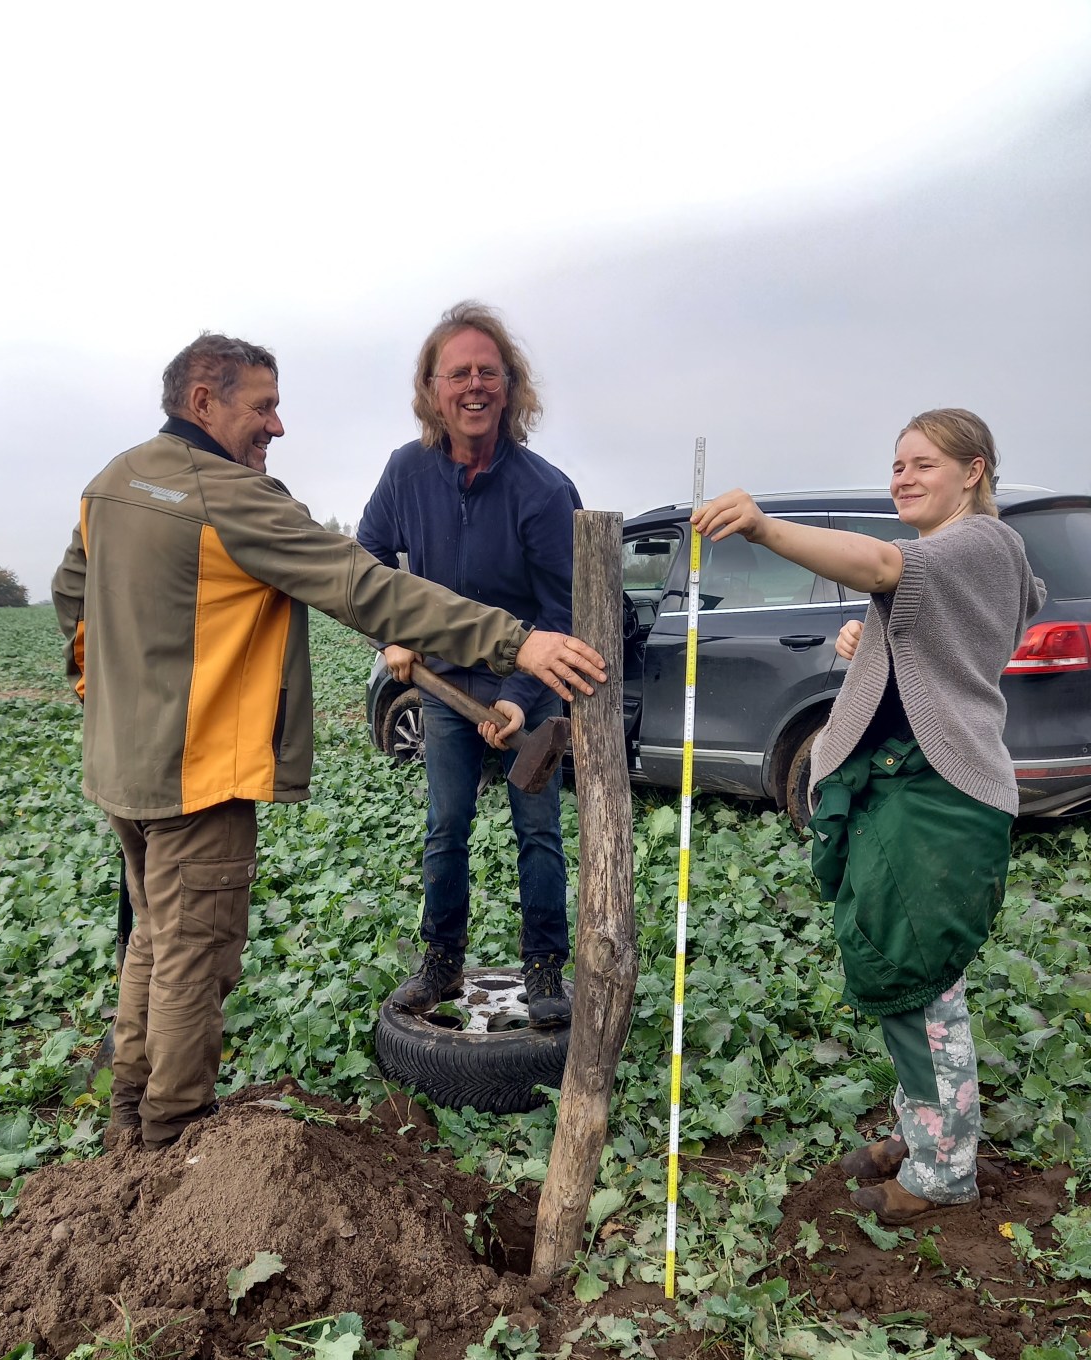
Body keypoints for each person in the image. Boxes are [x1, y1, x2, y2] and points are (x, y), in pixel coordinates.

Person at [52, 333, 605, 1152]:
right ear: (203, 402)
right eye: (263, 407)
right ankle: (171, 1137)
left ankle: (127, 1122)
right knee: (195, 959)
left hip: (120, 770)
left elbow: (72, 595)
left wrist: (107, 699)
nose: (277, 426)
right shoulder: (233, 499)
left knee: (154, 943)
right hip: (201, 774)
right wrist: (515, 643)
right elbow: (363, 584)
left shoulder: (112, 481)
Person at [692, 409, 1045, 1225]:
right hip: (905, 788)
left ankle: (944, 1169)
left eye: (924, 463)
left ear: (974, 471)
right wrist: (876, 639)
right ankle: (919, 1131)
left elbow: (885, 564)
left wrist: (765, 528)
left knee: (923, 983)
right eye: (896, 465)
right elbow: (939, 640)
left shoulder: (981, 541)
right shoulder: (958, 555)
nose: (903, 478)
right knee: (903, 971)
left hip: (938, 796)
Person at [357, 302, 581, 1028]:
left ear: (510, 387)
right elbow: (365, 561)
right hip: (445, 684)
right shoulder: (406, 472)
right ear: (433, 389)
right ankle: (441, 963)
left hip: (530, 690)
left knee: (538, 830)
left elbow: (562, 611)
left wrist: (517, 695)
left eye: (488, 371)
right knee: (445, 825)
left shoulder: (543, 490)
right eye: (458, 373)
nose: (474, 385)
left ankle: (544, 968)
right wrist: (393, 633)